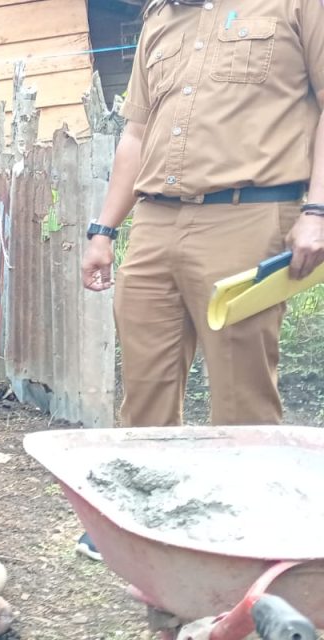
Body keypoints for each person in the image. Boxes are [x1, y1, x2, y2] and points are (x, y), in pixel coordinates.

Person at [77, 0, 324, 561]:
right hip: (156, 219)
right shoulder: (160, 19)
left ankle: (246, 522)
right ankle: (139, 519)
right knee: (145, 381)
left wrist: (317, 210)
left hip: (249, 211)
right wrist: (103, 230)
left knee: (240, 383)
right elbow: (137, 133)